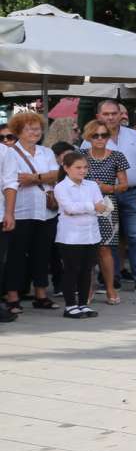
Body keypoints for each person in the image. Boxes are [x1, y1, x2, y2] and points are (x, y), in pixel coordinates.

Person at [84, 100, 136, 293]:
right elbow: (82, 168)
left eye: (114, 113)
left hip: (133, 192)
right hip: (103, 197)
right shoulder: (91, 137)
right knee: (109, 239)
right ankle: (112, 279)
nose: (110, 117)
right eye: (106, 114)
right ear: (99, 116)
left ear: (121, 115)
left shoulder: (135, 136)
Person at [3, 110, 59, 316]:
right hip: (20, 210)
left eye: (37, 128)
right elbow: (15, 179)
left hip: (45, 212)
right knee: (16, 255)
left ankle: (41, 294)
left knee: (42, 254)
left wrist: (34, 177)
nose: (35, 132)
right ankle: (12, 297)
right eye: (30, 128)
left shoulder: (46, 152)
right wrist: (44, 177)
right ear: (19, 131)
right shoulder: (9, 152)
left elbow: (56, 175)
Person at [82, 120, 130, 305]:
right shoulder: (80, 155)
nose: (100, 139)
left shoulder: (117, 156)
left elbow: (124, 185)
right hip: (84, 206)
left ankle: (110, 288)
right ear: (89, 137)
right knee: (85, 248)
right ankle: (87, 288)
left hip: (107, 206)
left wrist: (106, 188)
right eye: (96, 135)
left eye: (104, 135)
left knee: (105, 248)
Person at [53, 152, 106, 319]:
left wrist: (88, 207)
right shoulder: (61, 187)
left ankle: (83, 304)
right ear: (66, 168)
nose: (82, 171)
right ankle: (70, 305)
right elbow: (70, 208)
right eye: (78, 167)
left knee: (86, 270)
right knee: (71, 270)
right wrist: (91, 206)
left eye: (85, 167)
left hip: (91, 234)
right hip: (70, 236)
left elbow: (102, 205)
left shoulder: (91, 185)